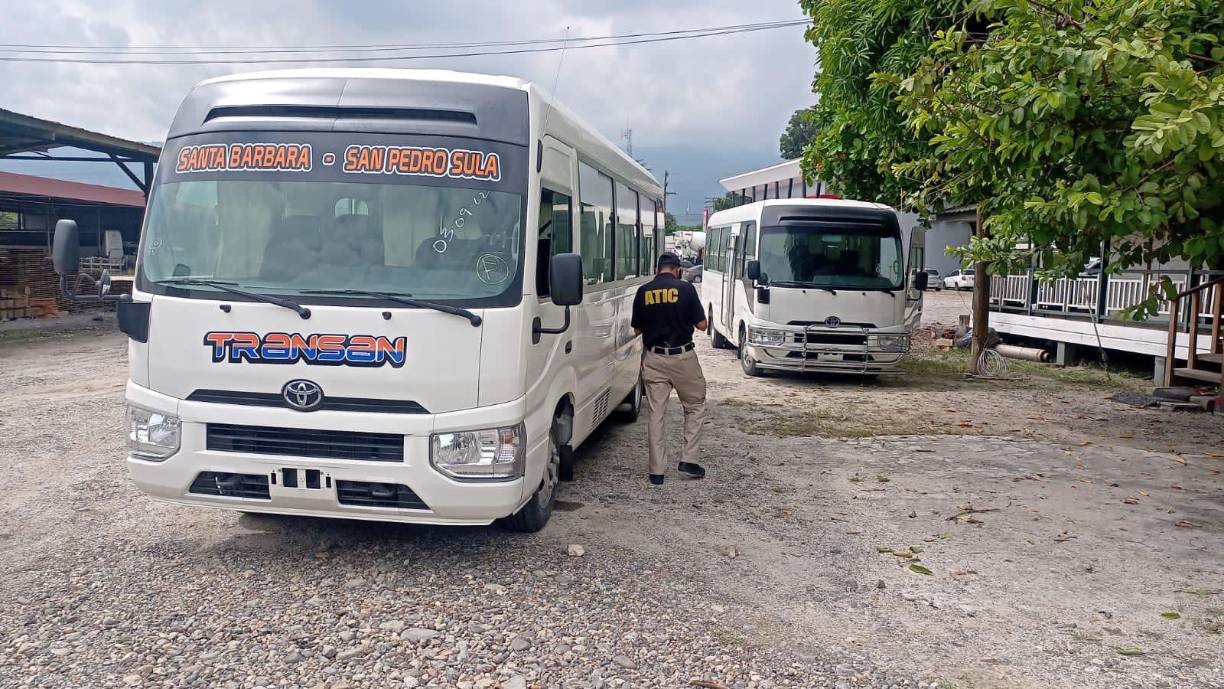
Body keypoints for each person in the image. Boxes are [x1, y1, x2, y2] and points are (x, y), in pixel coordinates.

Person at [630, 252, 709, 485]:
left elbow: (636, 330)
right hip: (683, 357)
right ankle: (689, 459)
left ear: (657, 269)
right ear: (677, 270)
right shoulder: (686, 289)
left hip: (654, 359)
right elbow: (703, 326)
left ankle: (657, 472)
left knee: (656, 413)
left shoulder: (644, 292)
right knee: (694, 405)